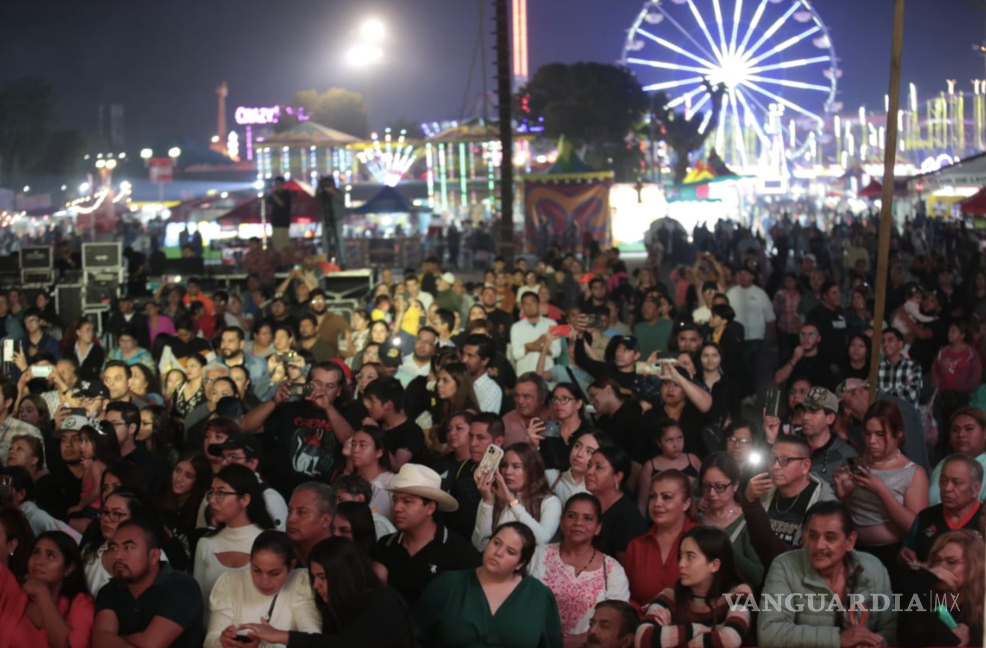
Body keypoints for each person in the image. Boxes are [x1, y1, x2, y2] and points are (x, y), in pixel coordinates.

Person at [757, 501, 897, 648]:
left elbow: (889, 630)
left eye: (830, 538)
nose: (819, 546)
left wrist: (875, 643)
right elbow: (769, 633)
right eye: (813, 536)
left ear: (850, 541)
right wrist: (838, 639)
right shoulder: (784, 567)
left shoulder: (873, 568)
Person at [241, 537, 414, 648]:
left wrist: (281, 636)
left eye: (323, 577)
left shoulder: (382, 603)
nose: (316, 585)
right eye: (314, 577)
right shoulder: (340, 603)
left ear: (343, 575)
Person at [414, 522, 564, 648]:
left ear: (520, 563)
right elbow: (413, 637)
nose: (498, 552)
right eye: (496, 542)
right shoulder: (448, 584)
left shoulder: (539, 596)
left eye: (510, 552)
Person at [835, 399, 928, 581]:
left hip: (890, 555)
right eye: (868, 433)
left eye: (880, 434)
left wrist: (881, 490)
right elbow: (845, 514)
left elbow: (914, 528)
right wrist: (842, 497)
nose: (872, 441)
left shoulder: (913, 472)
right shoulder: (860, 463)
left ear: (898, 434)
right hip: (852, 551)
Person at [528, 494, 630, 645]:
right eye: (571, 516)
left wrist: (578, 640)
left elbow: (617, 621)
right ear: (562, 522)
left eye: (588, 518)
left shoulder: (612, 570)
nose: (578, 523)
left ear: (598, 528)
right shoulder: (537, 554)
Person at [374, 463, 478, 606]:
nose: (397, 508)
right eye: (395, 500)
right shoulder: (383, 547)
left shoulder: (459, 553)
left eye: (407, 501)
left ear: (430, 508)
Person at [92, 519, 205, 648]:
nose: (117, 555)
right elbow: (100, 640)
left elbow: (150, 644)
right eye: (113, 547)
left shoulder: (182, 586)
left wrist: (115, 639)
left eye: (128, 547)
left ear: (154, 556)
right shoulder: (109, 590)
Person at [635, 526, 754, 648]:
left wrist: (670, 637)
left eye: (690, 556)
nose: (681, 564)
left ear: (714, 565)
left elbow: (729, 639)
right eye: (680, 555)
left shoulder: (740, 593)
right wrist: (695, 629)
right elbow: (642, 639)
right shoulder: (669, 596)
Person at [204, 530, 320, 648]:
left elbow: (313, 642)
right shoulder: (229, 583)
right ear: (250, 561)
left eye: (274, 573)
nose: (264, 582)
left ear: (291, 566)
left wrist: (262, 646)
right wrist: (222, 642)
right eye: (256, 570)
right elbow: (210, 641)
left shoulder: (300, 582)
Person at [741, 434, 837, 564]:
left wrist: (751, 505)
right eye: (772, 459)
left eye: (784, 460)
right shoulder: (762, 492)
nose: (775, 466)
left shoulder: (823, 504)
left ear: (805, 466)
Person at [193, 464, 275, 608]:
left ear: (244, 500)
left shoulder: (269, 541)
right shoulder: (206, 543)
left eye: (221, 494)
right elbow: (199, 601)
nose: (212, 500)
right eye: (211, 493)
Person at [0, 530, 95, 648]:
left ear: (69, 568)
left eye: (51, 556)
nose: (40, 561)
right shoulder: (15, 591)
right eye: (35, 553)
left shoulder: (81, 603)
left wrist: (43, 595)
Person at [625, 469, 697, 612]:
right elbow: (627, 597)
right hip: (644, 627)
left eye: (667, 497)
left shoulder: (705, 539)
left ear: (686, 503)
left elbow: (733, 592)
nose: (657, 503)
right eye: (652, 496)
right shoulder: (636, 546)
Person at [898, 530, 985, 648]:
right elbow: (907, 639)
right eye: (937, 561)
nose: (940, 567)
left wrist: (974, 636)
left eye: (951, 562)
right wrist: (925, 580)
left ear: (974, 566)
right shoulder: (923, 595)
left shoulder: (982, 604)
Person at [473, 442, 562, 550]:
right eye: (504, 465)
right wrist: (487, 501)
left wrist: (512, 502)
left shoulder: (550, 501)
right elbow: (480, 545)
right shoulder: (493, 497)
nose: (508, 472)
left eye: (516, 466)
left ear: (532, 469)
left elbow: (542, 539)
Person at [901, 453, 984, 563]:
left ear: (976, 488)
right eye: (943, 480)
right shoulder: (926, 517)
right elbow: (908, 550)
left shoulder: (983, 518)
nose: (947, 488)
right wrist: (904, 556)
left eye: (956, 483)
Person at [697, 453, 764, 587]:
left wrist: (725, 546)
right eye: (707, 486)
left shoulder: (747, 520)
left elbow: (757, 576)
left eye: (720, 487)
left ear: (735, 485)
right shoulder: (698, 518)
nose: (712, 494)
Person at [585, 445, 648, 563]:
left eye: (598, 467)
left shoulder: (626, 516)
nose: (589, 472)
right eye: (589, 466)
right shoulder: (590, 503)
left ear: (617, 476)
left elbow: (628, 566)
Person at [635, 420, 702, 515]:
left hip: (695, 515)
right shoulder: (650, 466)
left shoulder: (693, 459)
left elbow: (708, 486)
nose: (676, 445)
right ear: (659, 443)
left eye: (679, 438)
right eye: (669, 440)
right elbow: (642, 503)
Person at [527, 383, 589, 472]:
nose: (558, 403)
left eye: (564, 399)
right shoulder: (546, 429)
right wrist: (533, 445)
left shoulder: (589, 433)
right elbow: (533, 467)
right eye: (555, 399)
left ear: (578, 404)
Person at [347, 425, 396, 520]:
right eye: (353, 444)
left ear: (379, 452)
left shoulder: (391, 483)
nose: (355, 450)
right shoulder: (347, 483)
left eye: (362, 445)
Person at [285, 482, 336, 565]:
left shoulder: (342, 559)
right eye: (289, 511)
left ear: (326, 520)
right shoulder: (280, 554)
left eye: (302, 512)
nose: (291, 519)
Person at [511, 292, 561, 375]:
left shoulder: (552, 324)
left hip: (547, 373)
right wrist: (539, 343)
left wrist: (531, 347)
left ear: (538, 304)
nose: (529, 306)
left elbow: (556, 352)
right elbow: (516, 354)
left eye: (532, 302)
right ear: (522, 307)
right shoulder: (516, 327)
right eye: (526, 304)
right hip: (525, 375)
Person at [877, 327, 923, 407]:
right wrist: (903, 387)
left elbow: (911, 394)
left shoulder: (913, 366)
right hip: (884, 416)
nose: (885, 344)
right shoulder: (878, 367)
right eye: (883, 341)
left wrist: (882, 393)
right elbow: (871, 394)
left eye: (890, 340)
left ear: (900, 344)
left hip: (907, 415)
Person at [502, 373, 552, 446]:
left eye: (526, 396)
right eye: (517, 396)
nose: (520, 401)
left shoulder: (556, 418)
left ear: (541, 398)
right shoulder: (506, 422)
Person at [462, 333, 503, 414]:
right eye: (463, 354)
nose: (464, 360)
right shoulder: (459, 380)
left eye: (470, 356)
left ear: (485, 361)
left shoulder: (492, 390)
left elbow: (483, 423)